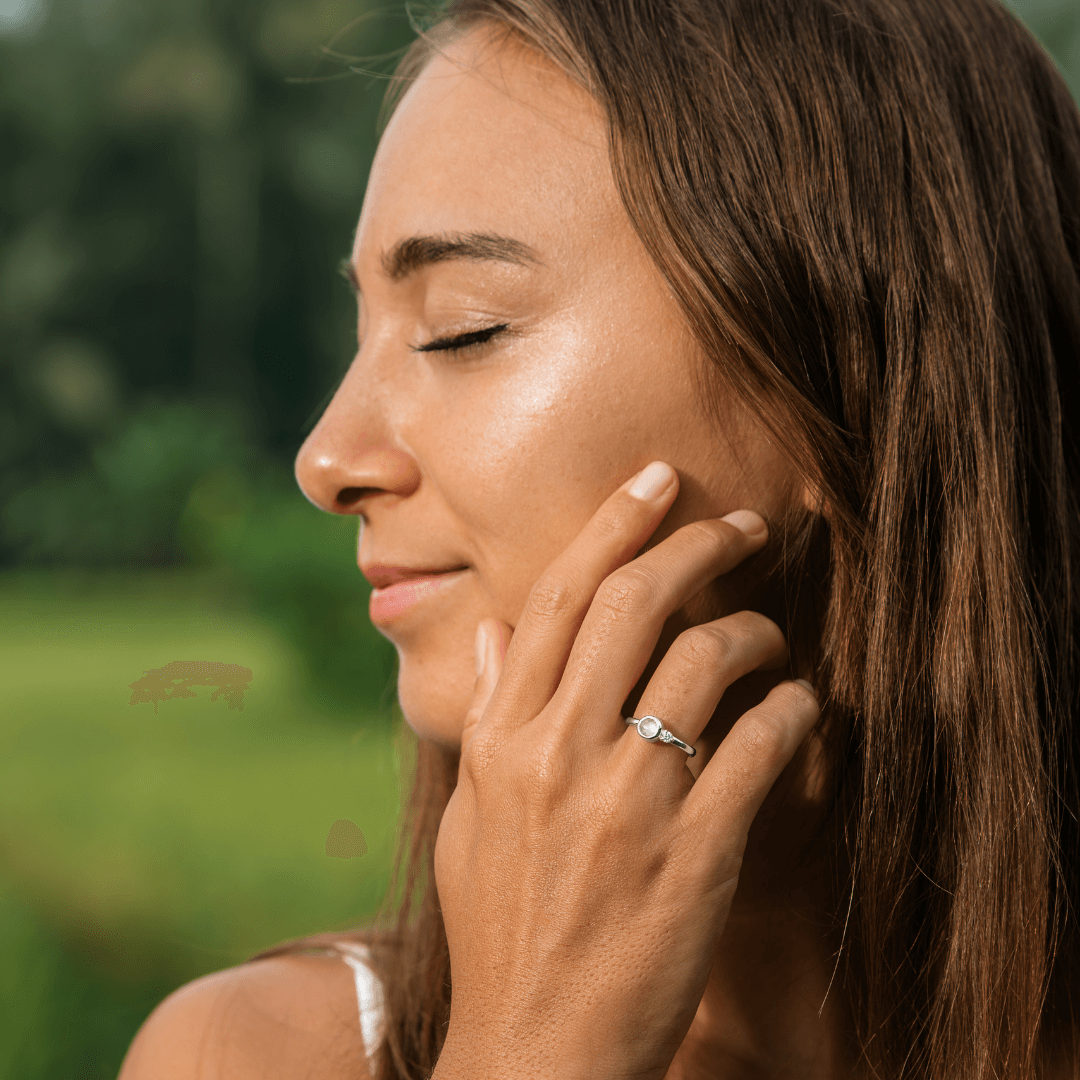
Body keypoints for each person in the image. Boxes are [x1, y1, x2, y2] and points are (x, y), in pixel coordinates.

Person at [118, 0, 1080, 1076]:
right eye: (362, 339)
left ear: (844, 378)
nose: (327, 458)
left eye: (462, 328)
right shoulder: (259, 1054)